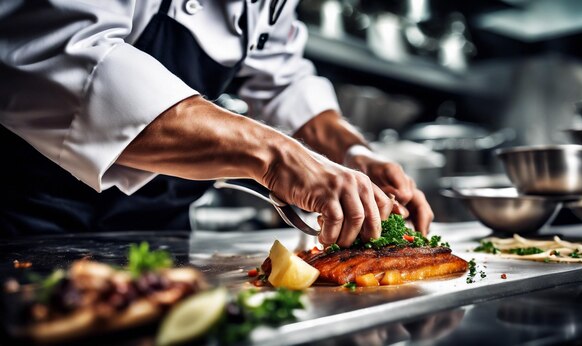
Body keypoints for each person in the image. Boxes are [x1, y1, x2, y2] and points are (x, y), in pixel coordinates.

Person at [0, 0, 433, 246]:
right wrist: (277, 156)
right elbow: (58, 57)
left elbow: (281, 79)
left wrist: (352, 153)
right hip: (25, 223)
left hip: (158, 232)